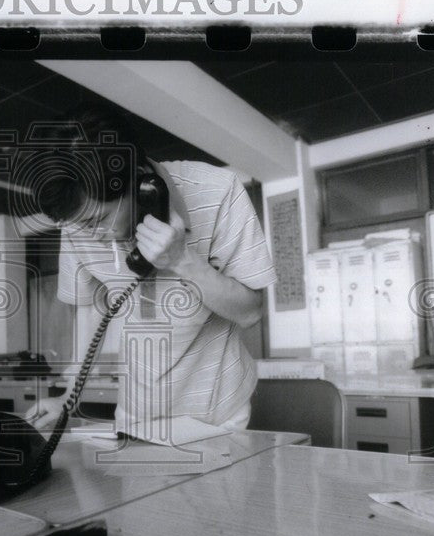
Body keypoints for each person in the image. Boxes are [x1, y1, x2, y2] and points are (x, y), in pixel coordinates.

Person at [24, 105, 277, 441]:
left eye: (98, 221)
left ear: (144, 184)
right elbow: (89, 312)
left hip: (215, 415)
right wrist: (69, 399)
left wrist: (182, 260)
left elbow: (250, 312)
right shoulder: (78, 226)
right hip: (136, 416)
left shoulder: (219, 191)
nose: (89, 234)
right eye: (77, 225)